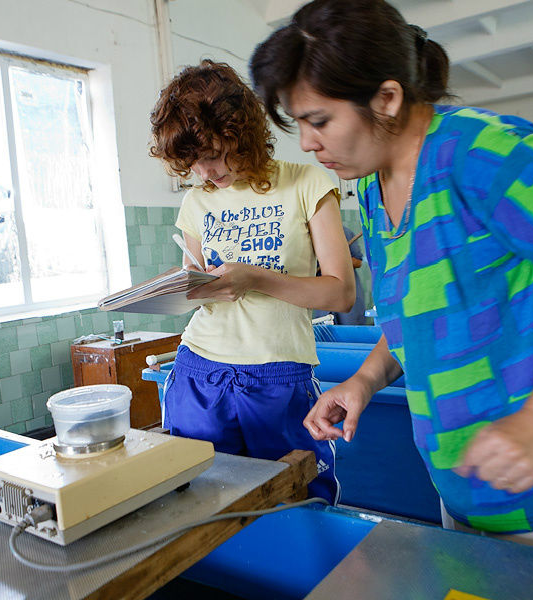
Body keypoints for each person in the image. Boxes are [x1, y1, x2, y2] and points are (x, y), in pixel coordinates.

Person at [249, 0, 533, 560]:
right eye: (297, 123)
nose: (305, 142)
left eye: (318, 120)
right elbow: (420, 312)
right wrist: (365, 381)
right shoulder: (374, 187)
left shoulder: (484, 154)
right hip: (469, 486)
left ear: (387, 99)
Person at [148, 60, 356, 504]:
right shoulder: (196, 201)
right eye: (191, 163)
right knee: (197, 502)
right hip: (198, 370)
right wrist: (175, 288)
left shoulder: (306, 182)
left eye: (209, 155)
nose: (203, 173)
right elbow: (197, 284)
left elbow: (341, 291)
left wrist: (256, 279)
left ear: (237, 131)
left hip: (278, 374)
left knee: (300, 499)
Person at [313, 226, 368, 325]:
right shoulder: (310, 233)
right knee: (325, 333)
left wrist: (334, 258)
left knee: (350, 334)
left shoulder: (345, 232)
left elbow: (358, 262)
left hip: (346, 295)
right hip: (324, 298)